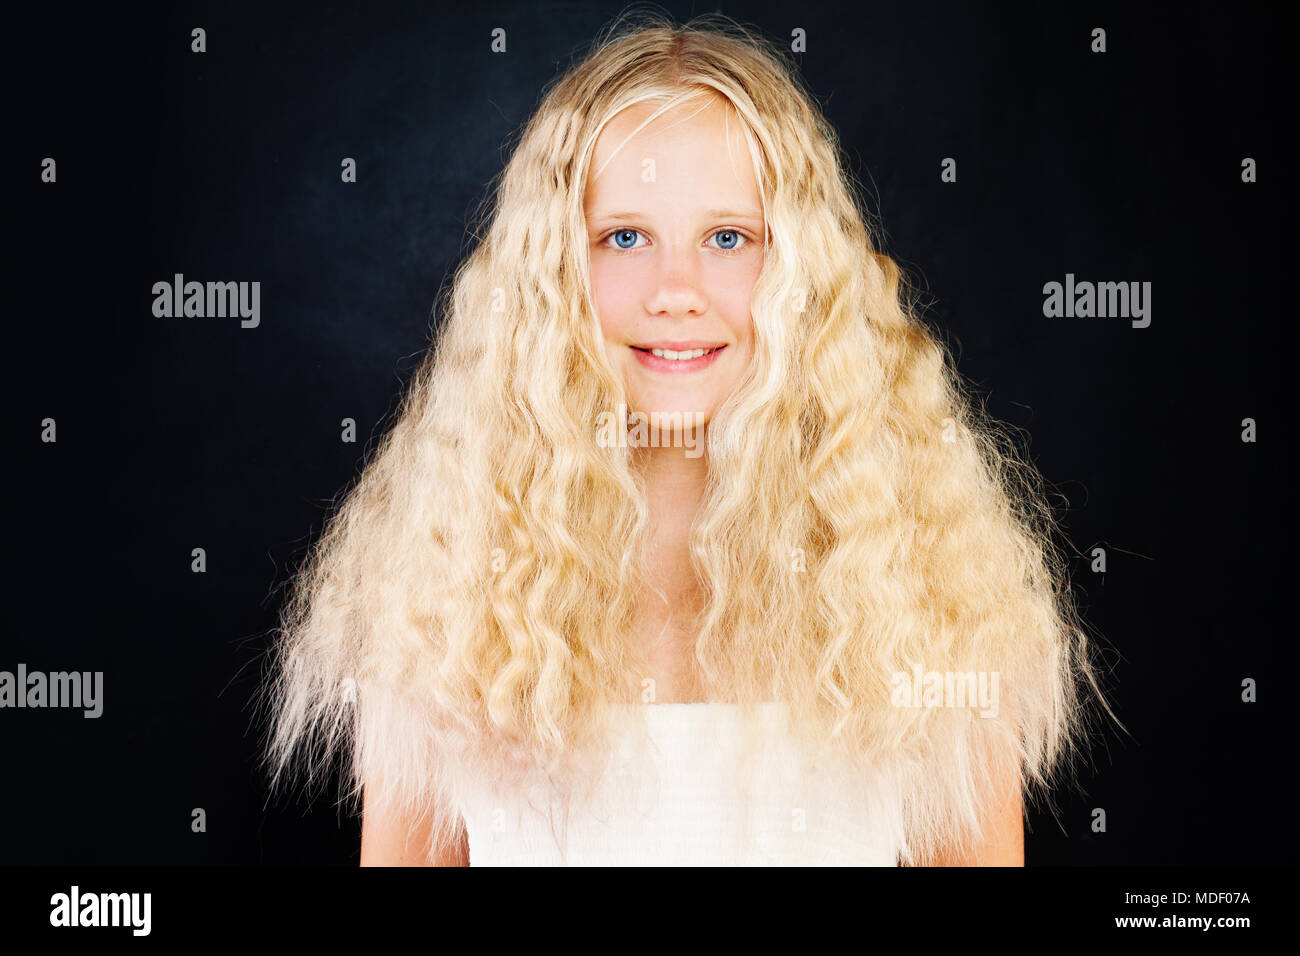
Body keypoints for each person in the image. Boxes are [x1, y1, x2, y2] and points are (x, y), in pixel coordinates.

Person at [258, 12, 1114, 866]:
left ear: (802, 270)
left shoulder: (934, 593)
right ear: (553, 270)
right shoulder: (440, 591)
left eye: (729, 239)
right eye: (624, 238)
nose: (677, 291)